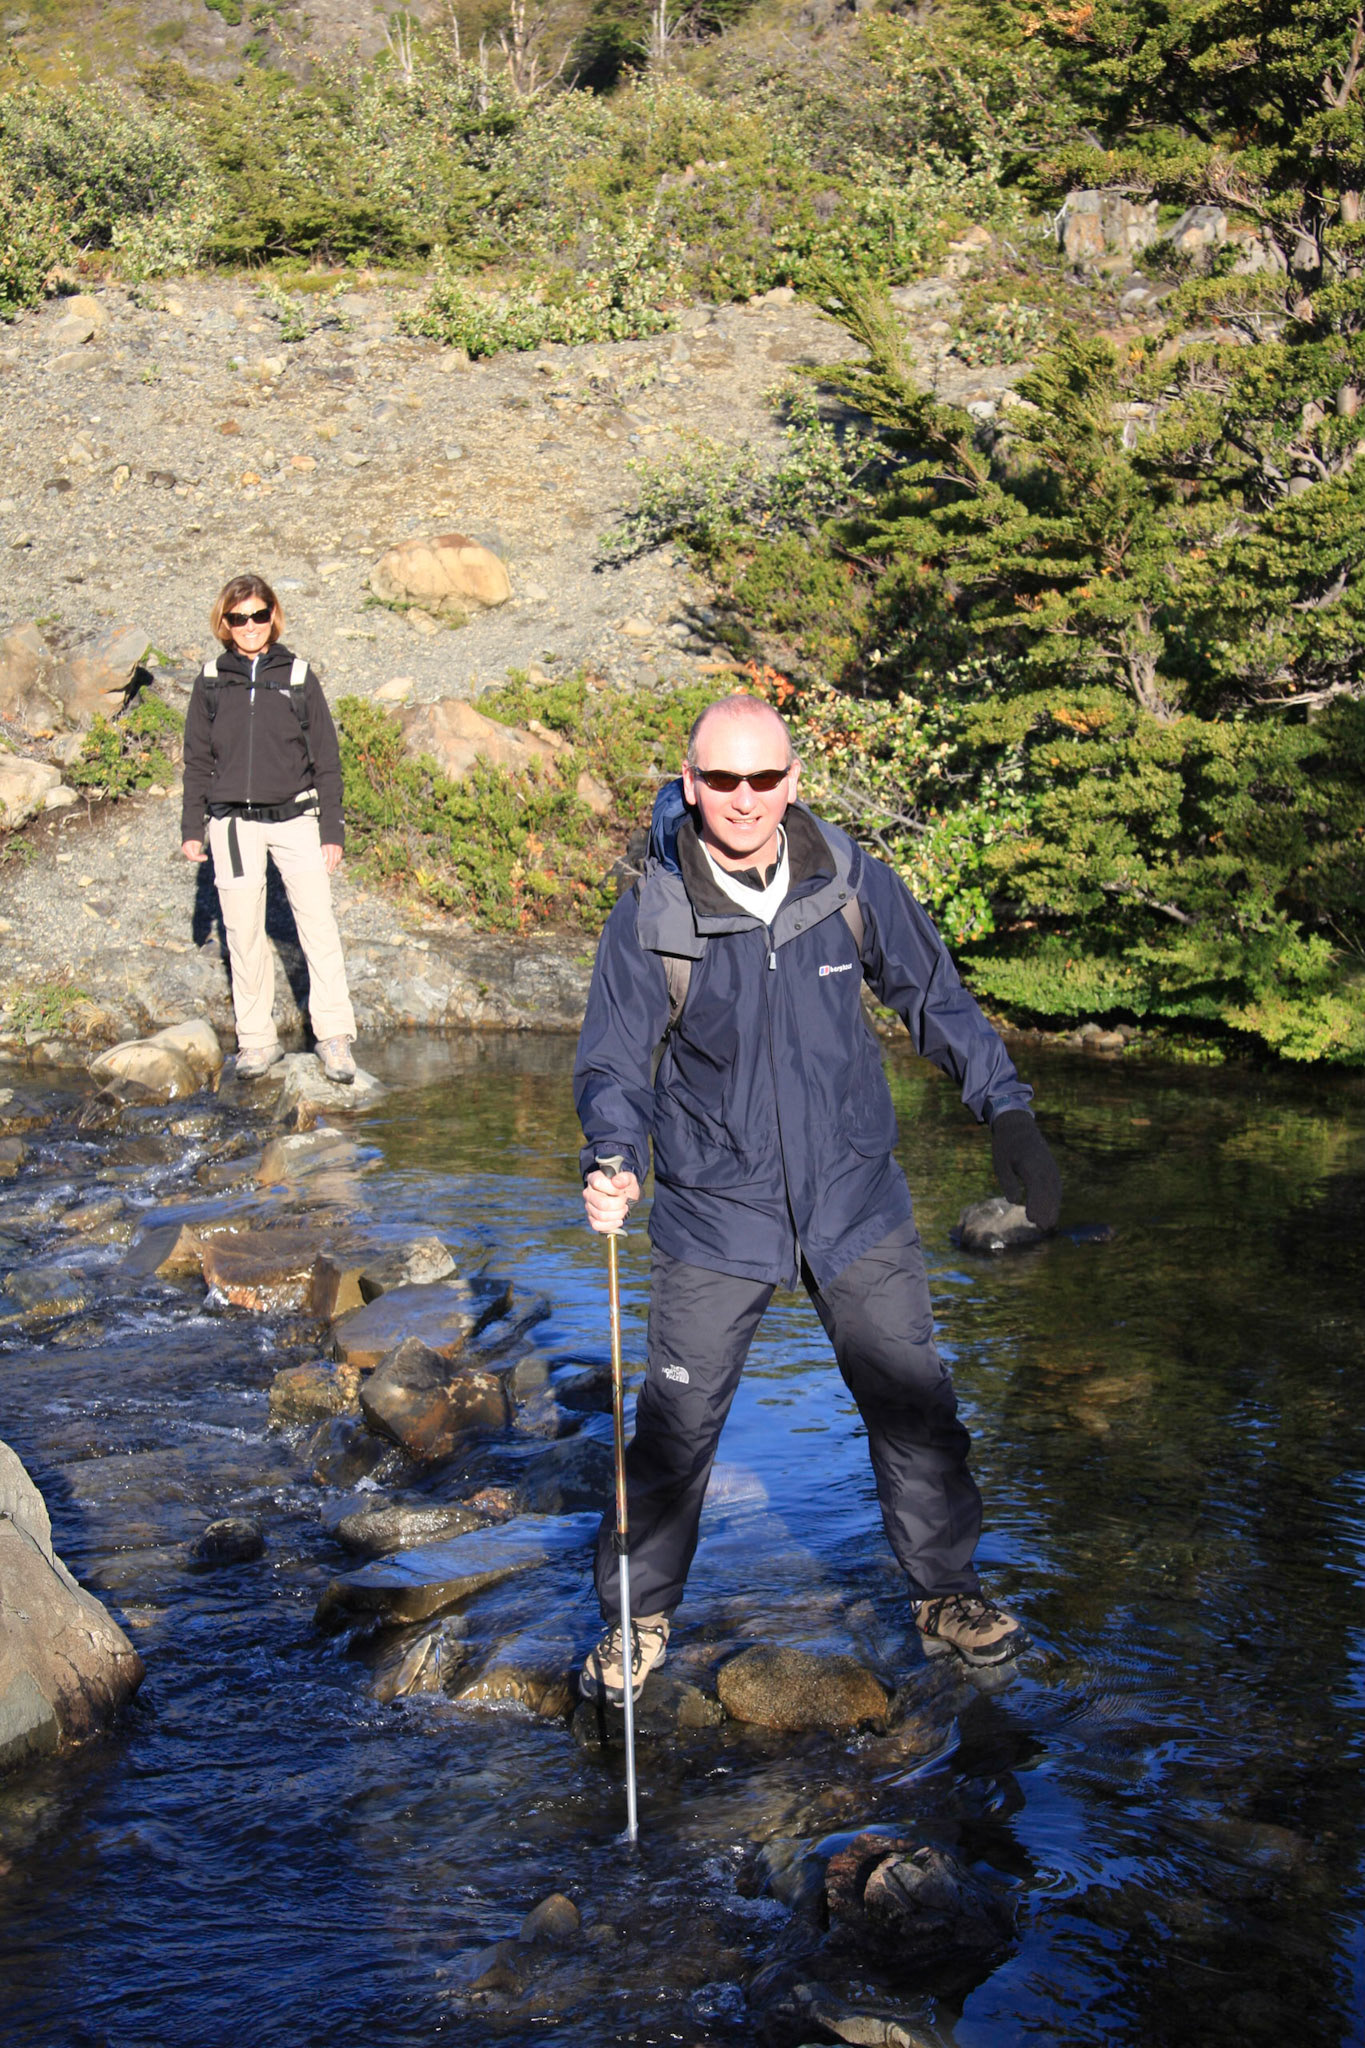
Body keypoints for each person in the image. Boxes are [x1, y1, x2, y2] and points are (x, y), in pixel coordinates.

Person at [573, 693, 1062, 1705]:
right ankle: (637, 1618)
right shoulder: (656, 909)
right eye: (721, 779)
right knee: (672, 1429)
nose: (742, 799)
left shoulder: (848, 878)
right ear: (690, 778)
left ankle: (946, 1594)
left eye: (762, 778)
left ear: (792, 780)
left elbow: (934, 997)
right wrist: (614, 1156)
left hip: (855, 1197)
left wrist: (1006, 1113)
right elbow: (616, 1061)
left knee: (916, 1402)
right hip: (714, 1208)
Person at [181, 573, 358, 1084]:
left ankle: (335, 1038)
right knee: (242, 932)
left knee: (318, 926)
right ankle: (256, 1041)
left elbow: (327, 759)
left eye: (259, 615)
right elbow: (196, 760)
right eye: (240, 618)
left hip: (297, 819)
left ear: (272, 615)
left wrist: (333, 830)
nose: (251, 626)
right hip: (232, 824)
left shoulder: (299, 675)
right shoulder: (211, 679)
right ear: (225, 622)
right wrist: (193, 827)